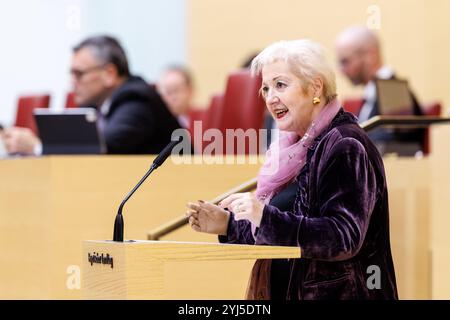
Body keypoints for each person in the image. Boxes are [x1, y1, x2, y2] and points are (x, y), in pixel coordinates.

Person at [186, 39, 398, 300]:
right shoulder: (295, 149)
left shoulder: (344, 144)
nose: (271, 98)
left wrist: (263, 217)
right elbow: (287, 224)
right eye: (265, 89)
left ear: (315, 87)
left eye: (280, 85)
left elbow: (344, 237)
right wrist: (228, 225)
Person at [2, 35, 181, 155]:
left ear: (109, 74)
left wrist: (36, 147)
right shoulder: (95, 105)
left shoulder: (137, 99)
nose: (72, 82)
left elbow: (104, 148)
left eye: (79, 74)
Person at [335, 25, 424, 155]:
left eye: (345, 61)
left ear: (370, 55)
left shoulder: (394, 90)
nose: (341, 70)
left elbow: (399, 143)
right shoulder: (375, 91)